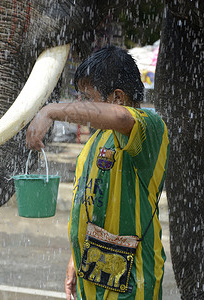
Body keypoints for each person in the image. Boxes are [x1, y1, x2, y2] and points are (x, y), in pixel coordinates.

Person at [26, 46, 169, 299]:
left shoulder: (150, 127)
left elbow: (123, 119)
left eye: (87, 97)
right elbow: (92, 205)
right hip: (91, 272)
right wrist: (75, 255)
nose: (80, 104)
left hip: (132, 281)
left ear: (117, 98)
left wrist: (51, 110)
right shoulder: (95, 142)